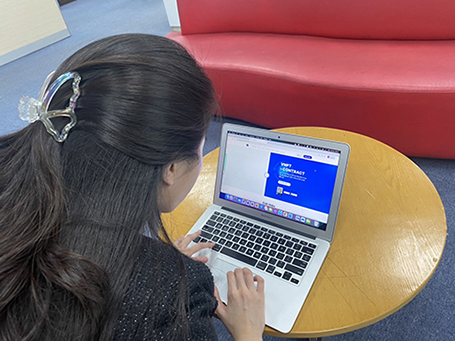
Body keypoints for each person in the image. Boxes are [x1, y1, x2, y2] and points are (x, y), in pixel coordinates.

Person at [0, 34, 265, 341]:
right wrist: (248, 332)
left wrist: (153, 263)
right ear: (171, 169)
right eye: (202, 144)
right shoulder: (172, 300)